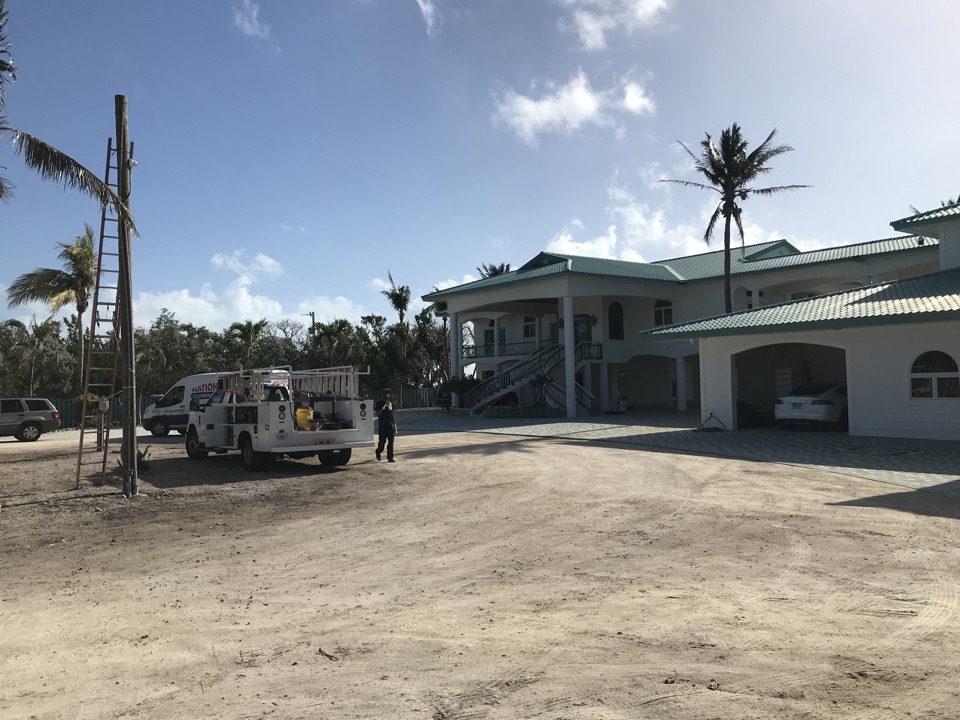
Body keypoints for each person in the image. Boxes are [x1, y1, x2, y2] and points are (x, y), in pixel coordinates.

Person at [376, 392, 396, 462]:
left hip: (389, 425)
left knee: (391, 442)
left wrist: (394, 424)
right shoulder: (379, 404)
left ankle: (390, 457)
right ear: (383, 396)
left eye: (388, 395)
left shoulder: (390, 404)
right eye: (385, 395)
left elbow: (392, 414)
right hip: (382, 425)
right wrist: (384, 407)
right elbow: (378, 414)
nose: (387, 396)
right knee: (382, 442)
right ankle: (378, 451)